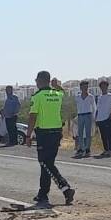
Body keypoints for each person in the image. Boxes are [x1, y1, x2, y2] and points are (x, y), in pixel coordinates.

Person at [26, 70, 75, 206]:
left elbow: (32, 116)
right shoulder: (57, 94)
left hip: (44, 133)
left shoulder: (38, 96)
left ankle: (65, 188)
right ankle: (43, 194)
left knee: (45, 163)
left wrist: (28, 135)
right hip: (56, 133)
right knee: (47, 164)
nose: (35, 82)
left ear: (41, 80)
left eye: (36, 80)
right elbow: (64, 94)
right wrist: (57, 85)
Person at [94, 80, 111, 158]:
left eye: (105, 86)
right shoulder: (100, 97)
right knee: (103, 136)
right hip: (100, 119)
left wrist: (110, 115)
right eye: (102, 86)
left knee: (109, 135)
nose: (103, 88)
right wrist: (96, 118)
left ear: (107, 87)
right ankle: (106, 149)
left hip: (107, 118)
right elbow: (97, 109)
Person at [74, 81, 96, 158]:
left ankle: (87, 149)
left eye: (86, 87)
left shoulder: (91, 97)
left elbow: (94, 107)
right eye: (83, 87)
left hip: (88, 115)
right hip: (80, 115)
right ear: (80, 88)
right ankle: (81, 148)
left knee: (88, 133)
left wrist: (94, 117)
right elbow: (76, 107)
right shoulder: (77, 97)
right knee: (80, 132)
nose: (85, 88)